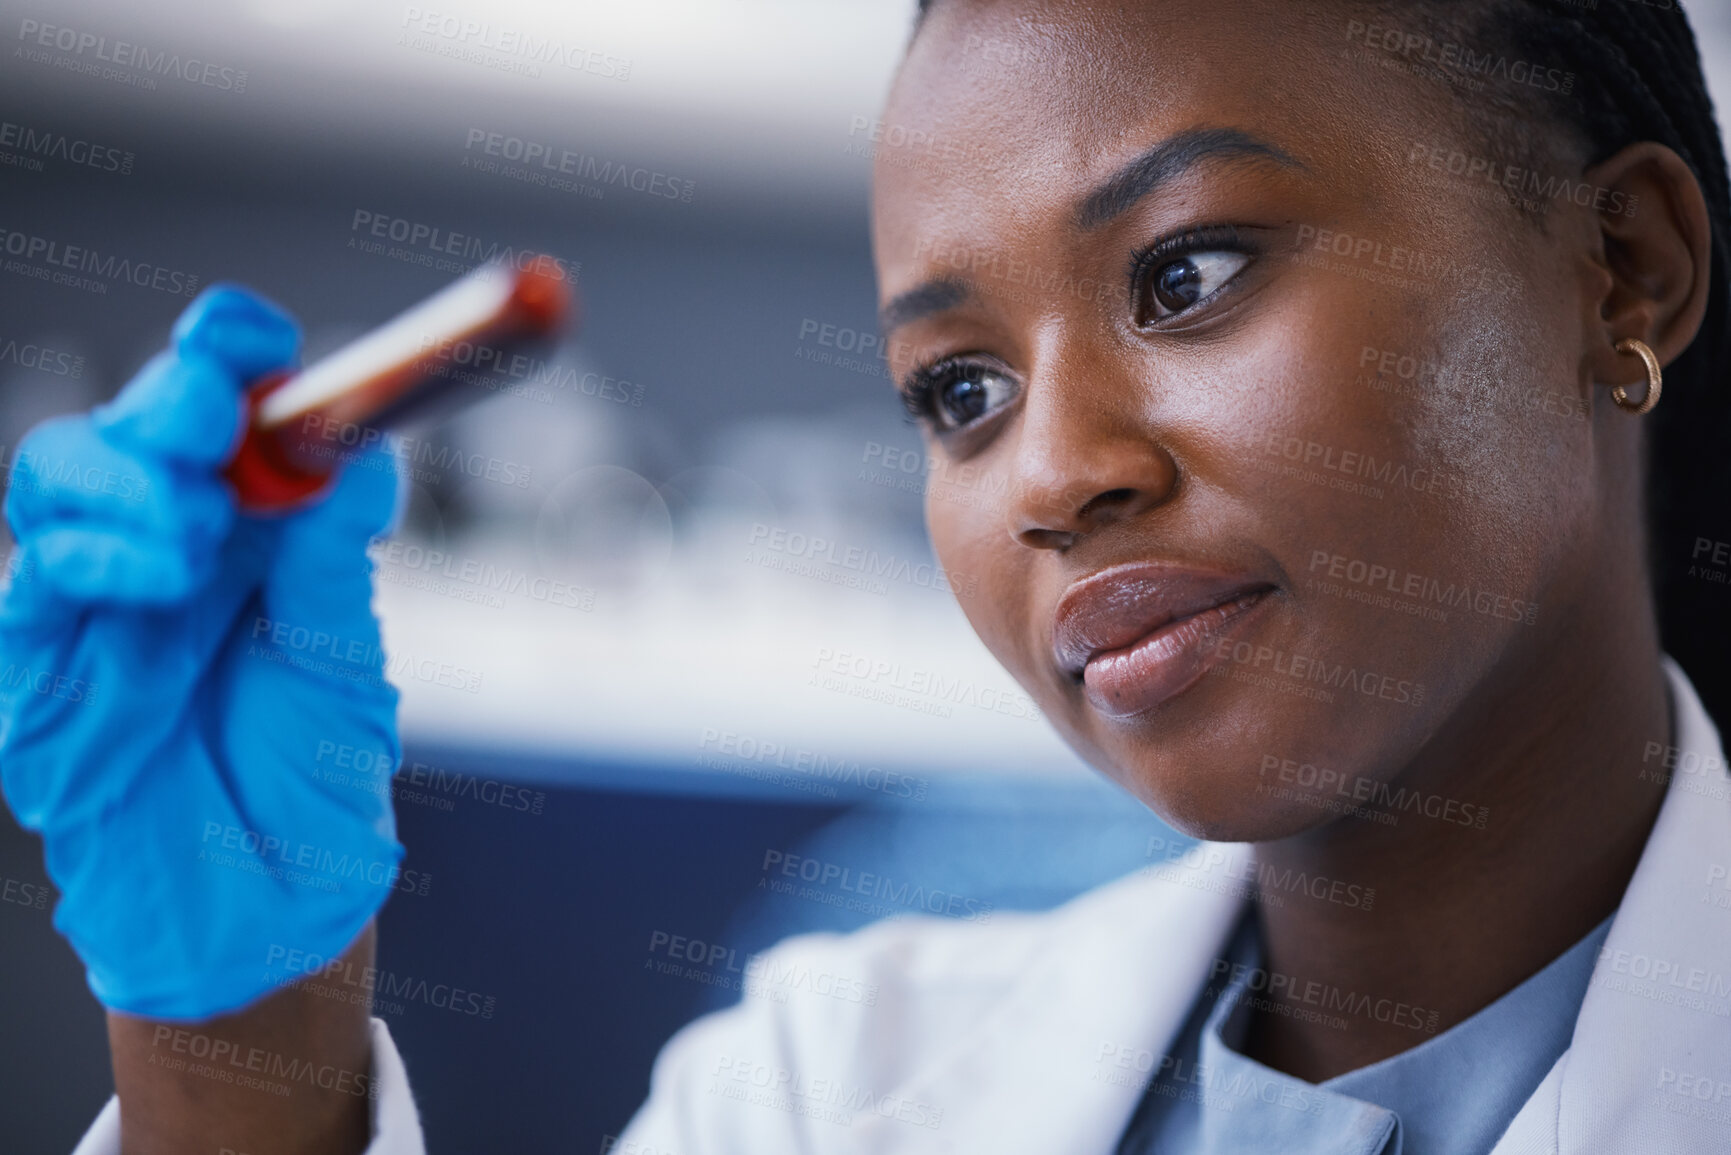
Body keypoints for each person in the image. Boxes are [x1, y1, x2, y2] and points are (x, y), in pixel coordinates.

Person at [3, 0, 1726, 1151]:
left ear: (1623, 271)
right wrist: (239, 1054)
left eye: (1189, 273)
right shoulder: (827, 1091)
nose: (1052, 476)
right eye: (959, 393)